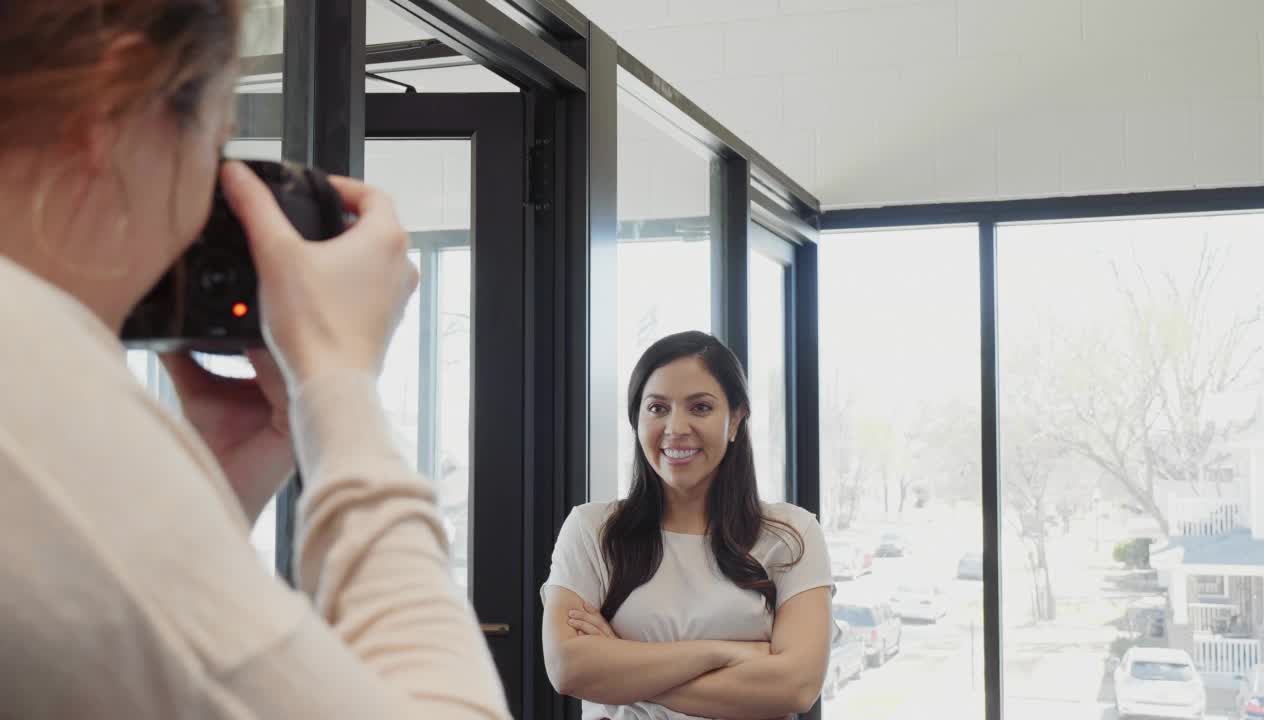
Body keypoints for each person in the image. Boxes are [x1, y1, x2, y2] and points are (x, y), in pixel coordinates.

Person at [0, 2, 508, 718]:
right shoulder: (33, 386)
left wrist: (208, 493)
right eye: (214, 149)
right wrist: (339, 389)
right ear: (117, 109)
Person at [541, 331, 834, 720]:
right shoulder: (592, 529)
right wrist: (726, 653)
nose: (675, 427)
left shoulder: (792, 534)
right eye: (657, 408)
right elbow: (568, 669)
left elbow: (796, 687)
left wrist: (624, 666)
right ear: (637, 419)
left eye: (699, 408)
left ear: (736, 420)